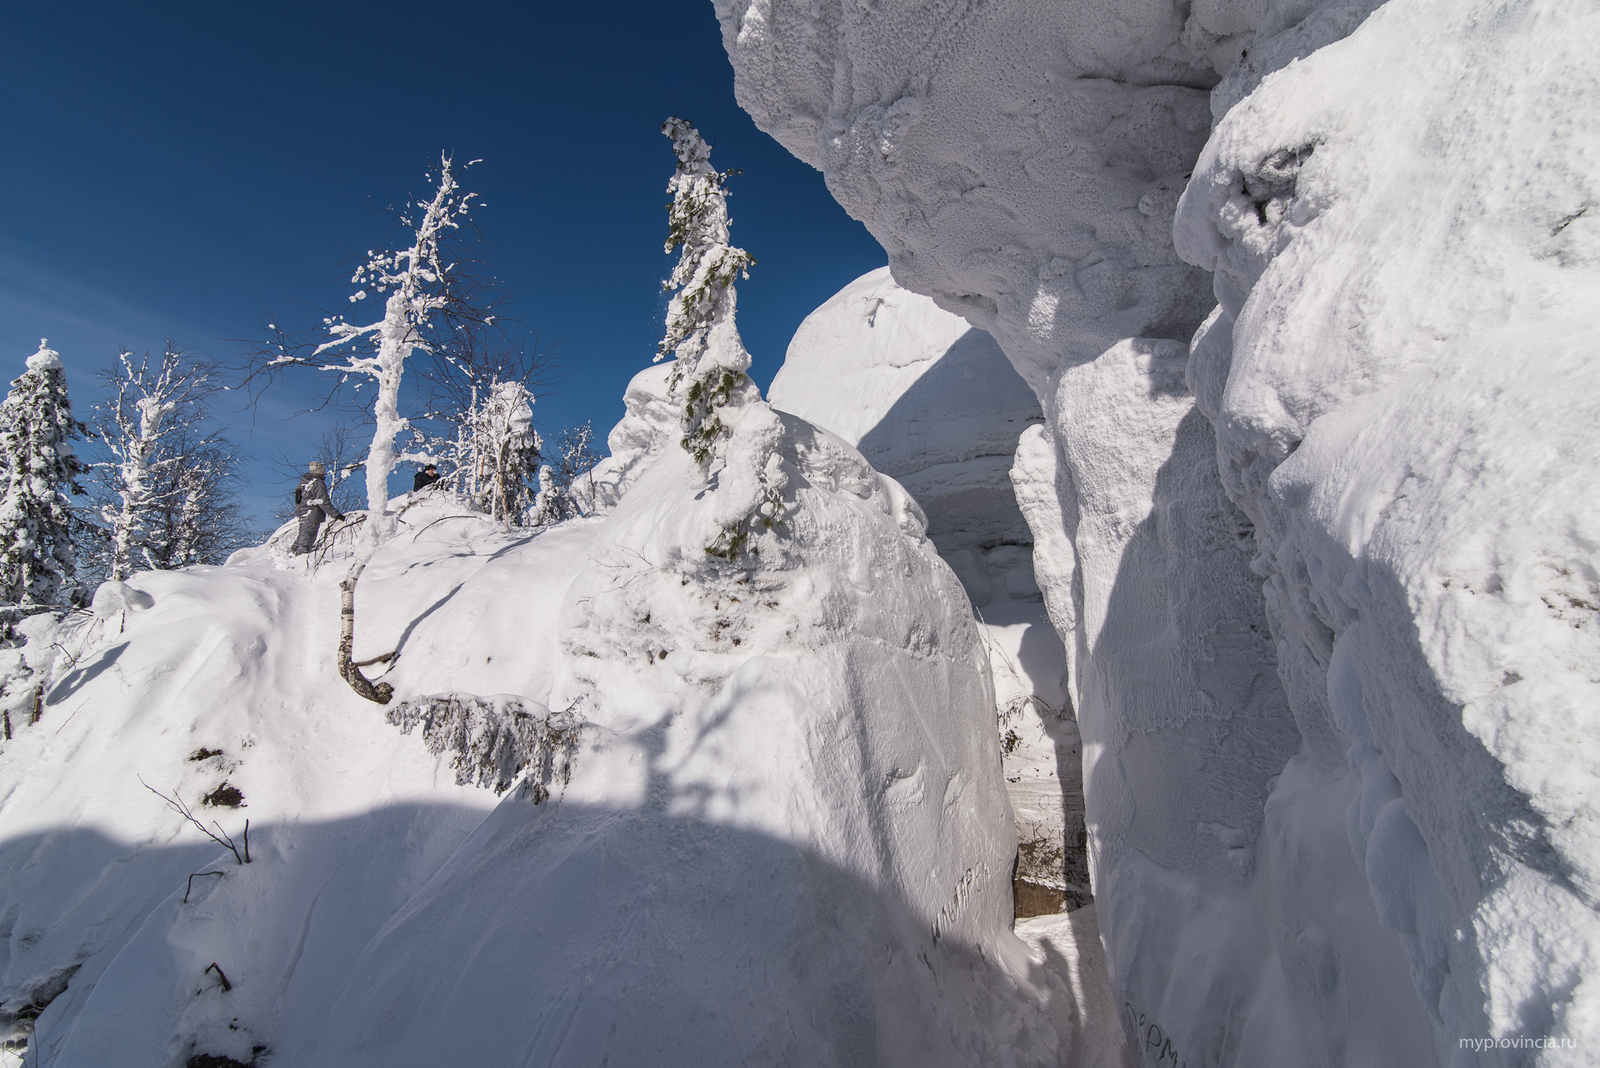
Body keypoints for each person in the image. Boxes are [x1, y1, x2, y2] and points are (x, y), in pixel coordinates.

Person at [291, 461, 344, 554]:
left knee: (302, 537)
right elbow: (323, 502)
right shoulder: (318, 483)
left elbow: (297, 499)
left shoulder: (303, 482)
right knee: (305, 542)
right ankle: (298, 561)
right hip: (311, 514)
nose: (324, 472)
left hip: (303, 513)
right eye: (323, 470)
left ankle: (291, 555)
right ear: (319, 471)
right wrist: (337, 515)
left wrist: (301, 510)